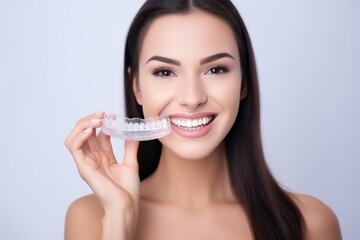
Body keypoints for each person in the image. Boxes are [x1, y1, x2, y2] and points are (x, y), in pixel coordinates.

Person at [64, 0, 342, 239]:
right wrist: (118, 221)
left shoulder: (311, 224)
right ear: (137, 86)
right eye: (164, 72)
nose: (192, 97)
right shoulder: (91, 218)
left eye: (215, 69)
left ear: (243, 82)